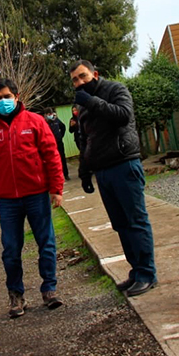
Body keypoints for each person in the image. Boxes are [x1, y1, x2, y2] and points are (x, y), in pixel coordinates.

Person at [0, 78, 65, 318]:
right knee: (11, 250)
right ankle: (16, 296)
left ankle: (50, 290)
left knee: (46, 243)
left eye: (7, 96)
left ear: (16, 97)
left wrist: (56, 187)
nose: (3, 101)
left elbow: (51, 155)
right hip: (8, 201)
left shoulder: (35, 122)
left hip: (37, 194)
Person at [69, 60, 157, 297]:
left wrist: (91, 102)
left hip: (124, 164)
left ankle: (147, 274)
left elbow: (123, 115)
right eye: (75, 80)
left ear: (95, 74)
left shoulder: (116, 90)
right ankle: (136, 271)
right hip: (103, 170)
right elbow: (85, 138)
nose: (80, 82)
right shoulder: (83, 105)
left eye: (83, 76)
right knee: (120, 224)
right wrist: (84, 170)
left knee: (135, 221)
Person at [44, 108, 69, 180]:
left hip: (59, 142)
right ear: (45, 115)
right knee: (52, 160)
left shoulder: (56, 120)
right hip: (50, 144)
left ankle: (66, 174)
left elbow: (63, 127)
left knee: (62, 158)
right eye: (48, 114)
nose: (50, 115)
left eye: (50, 114)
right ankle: (56, 176)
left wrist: (61, 136)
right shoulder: (45, 122)